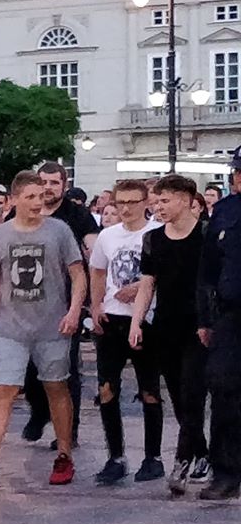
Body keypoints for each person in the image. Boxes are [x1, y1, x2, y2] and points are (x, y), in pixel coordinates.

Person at [0, 171, 86, 491]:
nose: (37, 202)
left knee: (56, 387)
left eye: (41, 196)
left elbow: (77, 273)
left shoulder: (59, 231)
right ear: (14, 199)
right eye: (30, 196)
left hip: (52, 325)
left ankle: (64, 453)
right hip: (11, 327)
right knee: (2, 390)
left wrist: (74, 311)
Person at [131, 173, 208, 494]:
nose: (158, 207)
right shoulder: (153, 239)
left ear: (186, 200)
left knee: (192, 393)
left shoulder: (206, 234)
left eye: (164, 200)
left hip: (200, 325)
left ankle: (182, 460)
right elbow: (147, 284)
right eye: (156, 201)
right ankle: (202, 452)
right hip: (165, 325)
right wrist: (136, 322)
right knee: (177, 396)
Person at [87, 177, 163, 485]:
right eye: (121, 203)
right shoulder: (108, 236)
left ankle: (153, 456)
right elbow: (98, 270)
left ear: (145, 203)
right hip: (113, 317)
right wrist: (95, 306)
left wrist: (140, 289)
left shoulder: (156, 233)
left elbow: (163, 274)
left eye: (133, 202)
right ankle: (115, 455)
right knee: (107, 388)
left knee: (149, 390)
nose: (127, 209)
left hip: (146, 319)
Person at [22, 159, 98, 443]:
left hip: (65, 302)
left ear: (64, 186)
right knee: (29, 369)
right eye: (43, 182)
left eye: (54, 183)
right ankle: (40, 411)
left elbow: (94, 247)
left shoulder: (77, 214)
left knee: (65, 370)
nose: (48, 188)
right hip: (27, 302)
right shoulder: (24, 210)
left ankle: (69, 430)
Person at [198, 153, 241, 500]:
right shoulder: (225, 210)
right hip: (230, 313)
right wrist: (204, 318)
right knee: (223, 387)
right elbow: (208, 268)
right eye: (238, 171)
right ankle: (225, 471)